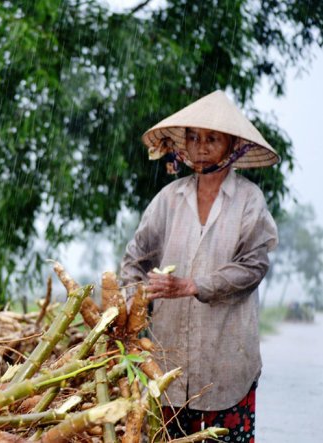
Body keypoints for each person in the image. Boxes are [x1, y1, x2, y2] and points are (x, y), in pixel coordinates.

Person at [120, 90, 279, 442]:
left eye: (212, 138)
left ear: (232, 144)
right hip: (166, 367)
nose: (201, 146)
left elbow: (253, 267)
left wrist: (192, 286)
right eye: (193, 137)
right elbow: (135, 260)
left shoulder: (249, 200)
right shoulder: (169, 199)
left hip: (226, 363)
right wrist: (134, 305)